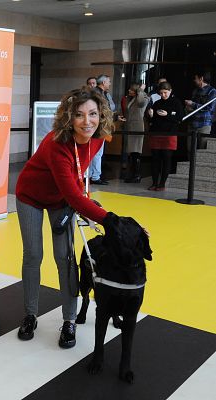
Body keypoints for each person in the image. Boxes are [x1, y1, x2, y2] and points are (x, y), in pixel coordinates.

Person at [15, 87, 116, 348]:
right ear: (69, 118)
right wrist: (109, 219)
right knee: (34, 255)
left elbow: (80, 174)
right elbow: (72, 195)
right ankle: (30, 314)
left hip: (61, 198)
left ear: (101, 114)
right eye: (80, 115)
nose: (87, 121)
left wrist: (88, 199)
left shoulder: (98, 138)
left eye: (92, 114)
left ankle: (69, 320)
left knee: (66, 258)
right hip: (31, 196)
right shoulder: (56, 143)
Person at [147, 81, 184, 191]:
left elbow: (180, 118)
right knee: (155, 159)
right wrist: (151, 115)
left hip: (169, 134)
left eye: (165, 92)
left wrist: (167, 115)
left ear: (170, 91)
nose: (163, 95)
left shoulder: (176, 102)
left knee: (167, 158)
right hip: (156, 133)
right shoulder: (157, 103)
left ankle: (162, 184)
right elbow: (152, 120)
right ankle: (154, 183)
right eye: (161, 93)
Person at [89, 74, 117, 185]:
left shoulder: (102, 93)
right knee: (97, 152)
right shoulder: (98, 94)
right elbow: (103, 111)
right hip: (99, 127)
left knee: (96, 152)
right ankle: (94, 176)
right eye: (109, 81)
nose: (110, 83)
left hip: (100, 126)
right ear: (104, 82)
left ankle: (92, 175)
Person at [123, 83, 149, 183]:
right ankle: (132, 174)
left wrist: (141, 90)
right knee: (132, 153)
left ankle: (137, 175)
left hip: (137, 127)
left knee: (136, 152)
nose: (129, 91)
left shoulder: (144, 98)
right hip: (131, 126)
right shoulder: (132, 99)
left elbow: (141, 103)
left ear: (136, 90)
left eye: (131, 89)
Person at [185, 72, 216, 150]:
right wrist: (188, 108)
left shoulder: (212, 91)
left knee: (202, 150)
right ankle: (190, 162)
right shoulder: (195, 91)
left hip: (204, 124)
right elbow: (193, 106)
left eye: (195, 78)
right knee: (190, 149)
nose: (194, 80)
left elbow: (209, 108)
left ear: (201, 78)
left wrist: (192, 104)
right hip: (192, 123)